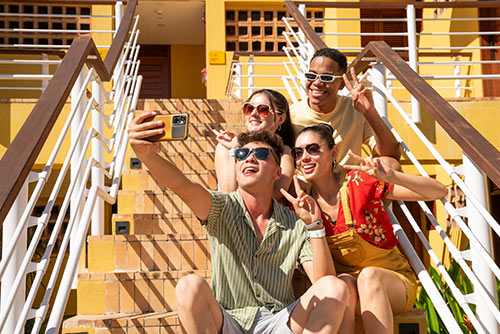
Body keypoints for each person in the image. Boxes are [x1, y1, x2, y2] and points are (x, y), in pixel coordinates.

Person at [128, 115, 349, 334]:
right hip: (228, 321)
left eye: (261, 154)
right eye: (242, 154)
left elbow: (323, 283)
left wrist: (314, 226)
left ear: (277, 172)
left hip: (279, 323)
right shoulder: (221, 207)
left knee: (336, 287)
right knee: (189, 286)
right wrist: (146, 154)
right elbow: (183, 186)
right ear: (236, 166)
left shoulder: (294, 222)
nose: (249, 159)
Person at [291, 123, 448, 334]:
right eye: (298, 152)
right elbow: (323, 281)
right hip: (349, 293)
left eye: (313, 149)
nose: (304, 158)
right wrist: (313, 224)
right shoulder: (305, 206)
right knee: (344, 281)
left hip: (394, 284)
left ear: (333, 152)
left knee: (369, 276)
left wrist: (392, 177)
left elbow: (438, 191)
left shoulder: (360, 182)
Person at [290, 47, 401, 171]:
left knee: (390, 165)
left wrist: (370, 112)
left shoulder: (356, 110)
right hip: (306, 185)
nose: (317, 82)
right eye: (311, 75)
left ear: (341, 84)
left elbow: (391, 154)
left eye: (326, 78)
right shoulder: (291, 116)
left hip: (347, 185)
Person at [213, 89, 295, 198]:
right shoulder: (226, 148)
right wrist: (235, 151)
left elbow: (277, 192)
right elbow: (228, 193)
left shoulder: (284, 152)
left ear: (280, 119)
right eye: (249, 108)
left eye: (263, 109)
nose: (253, 114)